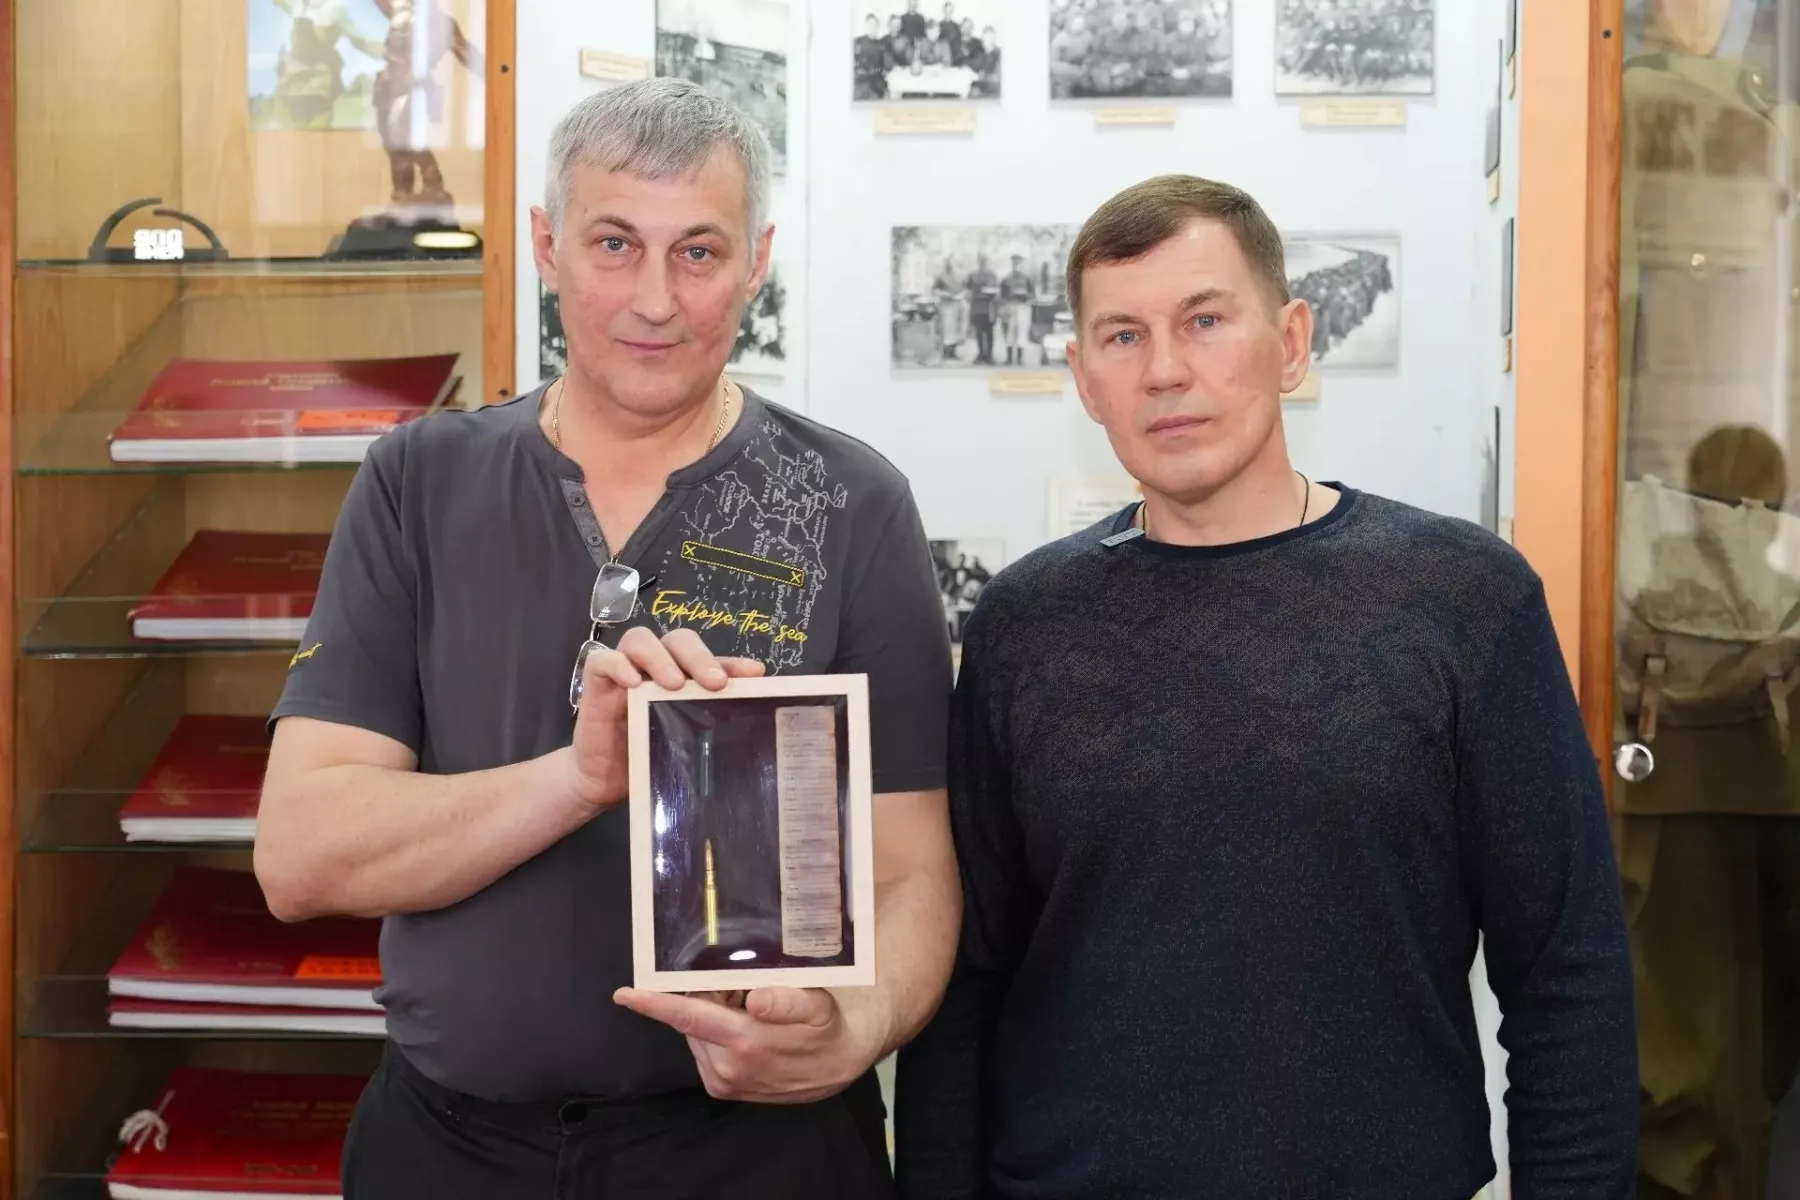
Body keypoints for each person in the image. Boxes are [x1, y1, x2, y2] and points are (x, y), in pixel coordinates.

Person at [254, 77, 960, 1199]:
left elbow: (913, 870)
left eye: (699, 253)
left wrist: (854, 1027)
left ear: (758, 261)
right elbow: (301, 858)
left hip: (756, 1154)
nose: (654, 300)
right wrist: (578, 779)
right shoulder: (418, 484)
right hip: (448, 1149)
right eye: (615, 244)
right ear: (547, 244)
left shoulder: (847, 504)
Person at [893, 173, 1639, 1198]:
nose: (1165, 371)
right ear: (1084, 378)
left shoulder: (1465, 601)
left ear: (1291, 343)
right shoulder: (1023, 625)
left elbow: (1568, 976)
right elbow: (965, 987)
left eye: (1204, 321)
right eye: (1122, 336)